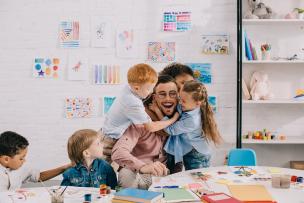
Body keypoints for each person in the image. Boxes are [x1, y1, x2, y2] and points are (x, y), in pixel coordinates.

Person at [100, 63, 179, 162]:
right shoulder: (133, 103)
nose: (151, 92)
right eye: (149, 89)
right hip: (109, 140)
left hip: (106, 132)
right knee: (100, 168)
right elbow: (151, 127)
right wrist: (173, 119)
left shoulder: (129, 87)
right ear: (136, 88)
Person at [112, 75, 179, 189]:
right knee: (126, 173)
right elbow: (118, 152)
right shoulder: (141, 121)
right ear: (154, 98)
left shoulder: (180, 122)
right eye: (162, 94)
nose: (168, 98)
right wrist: (143, 166)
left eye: (172, 93)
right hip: (138, 174)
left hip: (163, 177)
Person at [150, 80, 222, 171]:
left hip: (197, 155)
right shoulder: (189, 107)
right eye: (180, 98)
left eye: (183, 101)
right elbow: (178, 108)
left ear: (197, 103)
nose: (180, 103)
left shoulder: (192, 121)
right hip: (190, 150)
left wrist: (157, 110)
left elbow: (170, 130)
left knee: (197, 180)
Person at [0, 131, 73, 191]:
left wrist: (64, 168)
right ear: (6, 159)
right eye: (21, 158)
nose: (24, 161)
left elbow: (39, 176)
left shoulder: (19, 168)